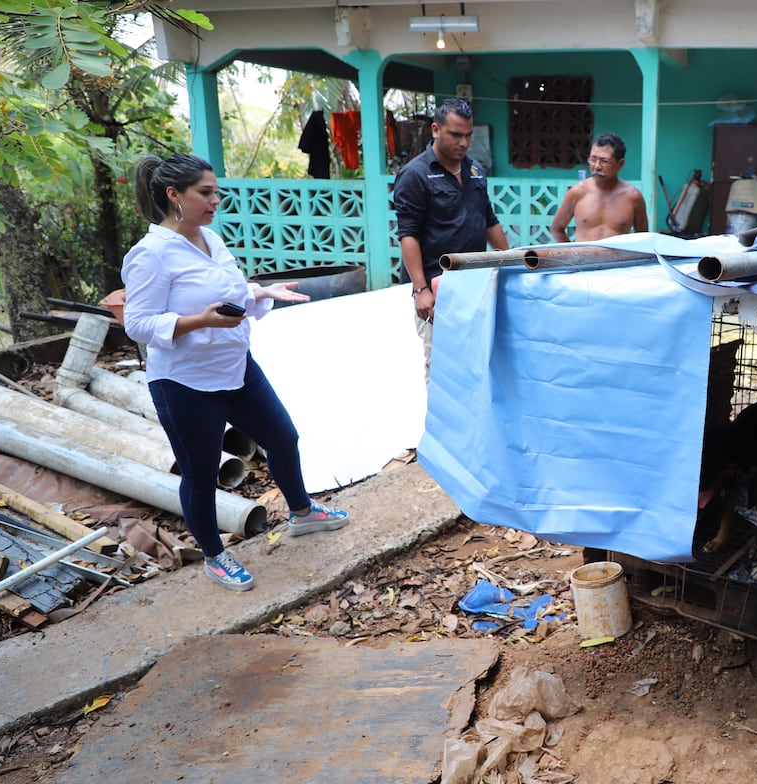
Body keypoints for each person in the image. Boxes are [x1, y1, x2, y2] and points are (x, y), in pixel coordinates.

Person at [122, 153, 349, 592]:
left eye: (215, 192)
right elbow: (137, 323)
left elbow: (229, 290)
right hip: (185, 383)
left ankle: (302, 513)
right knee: (201, 473)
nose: (215, 201)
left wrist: (260, 291)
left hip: (236, 367)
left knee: (283, 437)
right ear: (174, 195)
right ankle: (214, 555)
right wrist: (200, 321)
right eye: (205, 193)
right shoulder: (150, 254)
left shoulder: (211, 239)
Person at [393, 98, 508, 379]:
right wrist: (421, 290)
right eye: (456, 134)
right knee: (443, 368)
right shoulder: (415, 175)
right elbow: (408, 234)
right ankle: (441, 424)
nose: (464, 143)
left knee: (478, 362)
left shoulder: (475, 170)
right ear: (435, 129)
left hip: (476, 283)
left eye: (468, 135)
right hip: (438, 288)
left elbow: (489, 220)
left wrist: (510, 262)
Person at [551, 132, 649, 243]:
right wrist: (573, 257)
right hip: (585, 259)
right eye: (593, 160)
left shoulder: (633, 197)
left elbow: (643, 238)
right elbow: (556, 229)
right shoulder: (578, 192)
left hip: (618, 260)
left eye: (604, 161)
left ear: (620, 164)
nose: (597, 166)